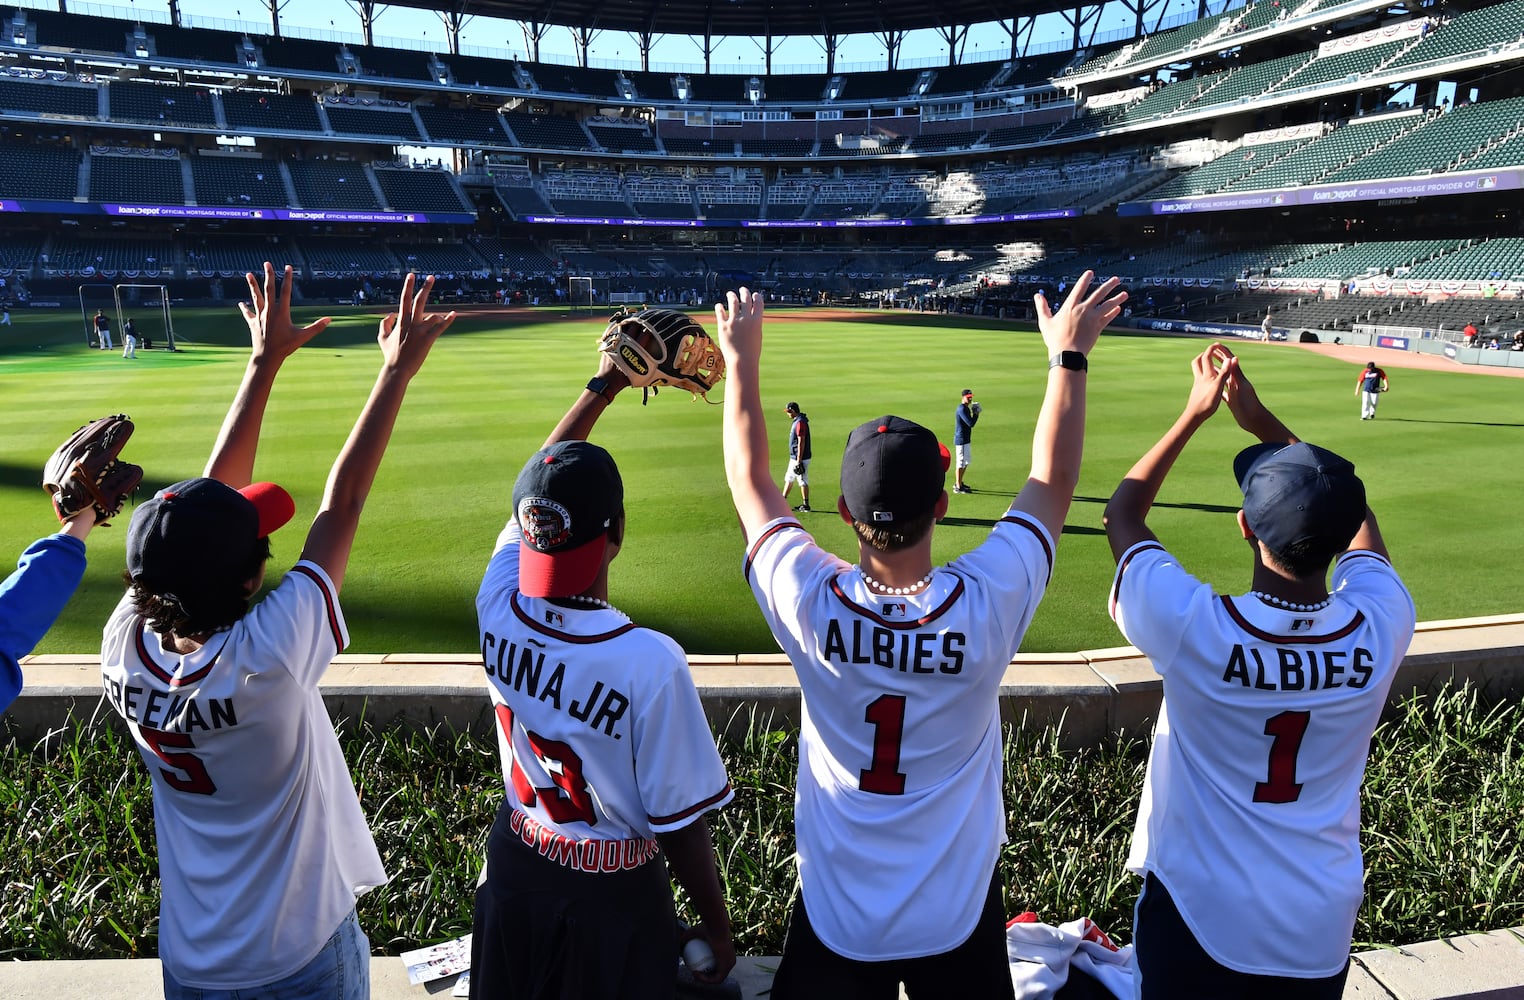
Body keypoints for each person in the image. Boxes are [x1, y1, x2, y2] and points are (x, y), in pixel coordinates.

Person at [713, 275, 1124, 999]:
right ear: (941, 505)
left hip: (837, 912)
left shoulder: (809, 599)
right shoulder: (986, 599)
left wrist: (741, 362)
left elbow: (751, 480)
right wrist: (1069, 357)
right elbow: (1053, 480)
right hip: (959, 911)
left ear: (842, 509)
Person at [100, 265, 453, 999]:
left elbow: (201, 515)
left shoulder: (124, 643)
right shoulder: (267, 658)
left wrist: (264, 362)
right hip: (297, 962)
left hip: (192, 964)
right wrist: (396, 370)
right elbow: (345, 499)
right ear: (247, 582)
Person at [1102, 343, 1415, 999]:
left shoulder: (1197, 627)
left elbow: (1122, 515)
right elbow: (1358, 523)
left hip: (1196, 916)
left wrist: (1195, 413)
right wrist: (1266, 423)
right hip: (1317, 927)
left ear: (1243, 526)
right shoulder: (1380, 624)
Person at [472, 348, 737, 997]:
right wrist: (717, 926)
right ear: (617, 530)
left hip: (515, 868)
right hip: (613, 900)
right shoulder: (648, 661)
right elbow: (678, 821)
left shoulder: (498, 600)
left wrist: (605, 384)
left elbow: (531, 490)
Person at [782, 401, 812, 512]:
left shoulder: (800, 423)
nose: (788, 414)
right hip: (795, 457)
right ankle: (782, 500)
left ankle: (806, 505)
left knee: (802, 480)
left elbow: (801, 442)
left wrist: (799, 460)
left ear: (793, 411)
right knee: (789, 478)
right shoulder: (797, 421)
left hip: (800, 458)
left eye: (789, 412)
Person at [953, 387, 980, 493]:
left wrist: (974, 414)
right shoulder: (962, 409)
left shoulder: (965, 408)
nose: (969, 399)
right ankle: (958, 486)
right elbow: (970, 423)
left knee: (966, 462)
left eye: (970, 397)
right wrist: (976, 414)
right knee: (960, 463)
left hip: (965, 439)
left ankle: (959, 482)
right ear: (963, 397)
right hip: (962, 440)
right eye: (968, 397)